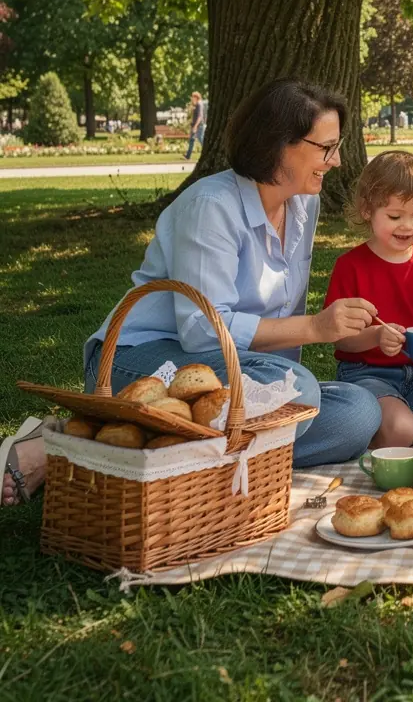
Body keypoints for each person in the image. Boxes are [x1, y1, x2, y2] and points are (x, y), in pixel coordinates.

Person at [2, 79, 386, 507]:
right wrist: (314, 329)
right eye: (326, 148)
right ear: (279, 144)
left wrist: (280, 385)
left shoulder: (303, 204)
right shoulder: (211, 206)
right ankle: (62, 446)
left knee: (359, 412)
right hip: (144, 363)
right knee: (303, 392)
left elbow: (278, 321)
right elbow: (202, 329)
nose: (336, 161)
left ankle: (153, 456)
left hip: (232, 374)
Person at [326, 151, 413, 447]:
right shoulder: (350, 266)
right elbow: (341, 340)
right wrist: (375, 336)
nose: (407, 226)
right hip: (367, 374)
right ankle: (394, 425)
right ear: (367, 210)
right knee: (402, 430)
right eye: (395, 216)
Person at [184, 91, 205, 160]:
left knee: (200, 139)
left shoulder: (199, 104)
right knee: (191, 140)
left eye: (193, 97)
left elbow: (200, 116)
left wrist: (195, 126)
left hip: (199, 126)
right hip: (195, 125)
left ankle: (207, 151)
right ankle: (188, 156)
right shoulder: (196, 105)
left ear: (196, 97)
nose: (192, 98)